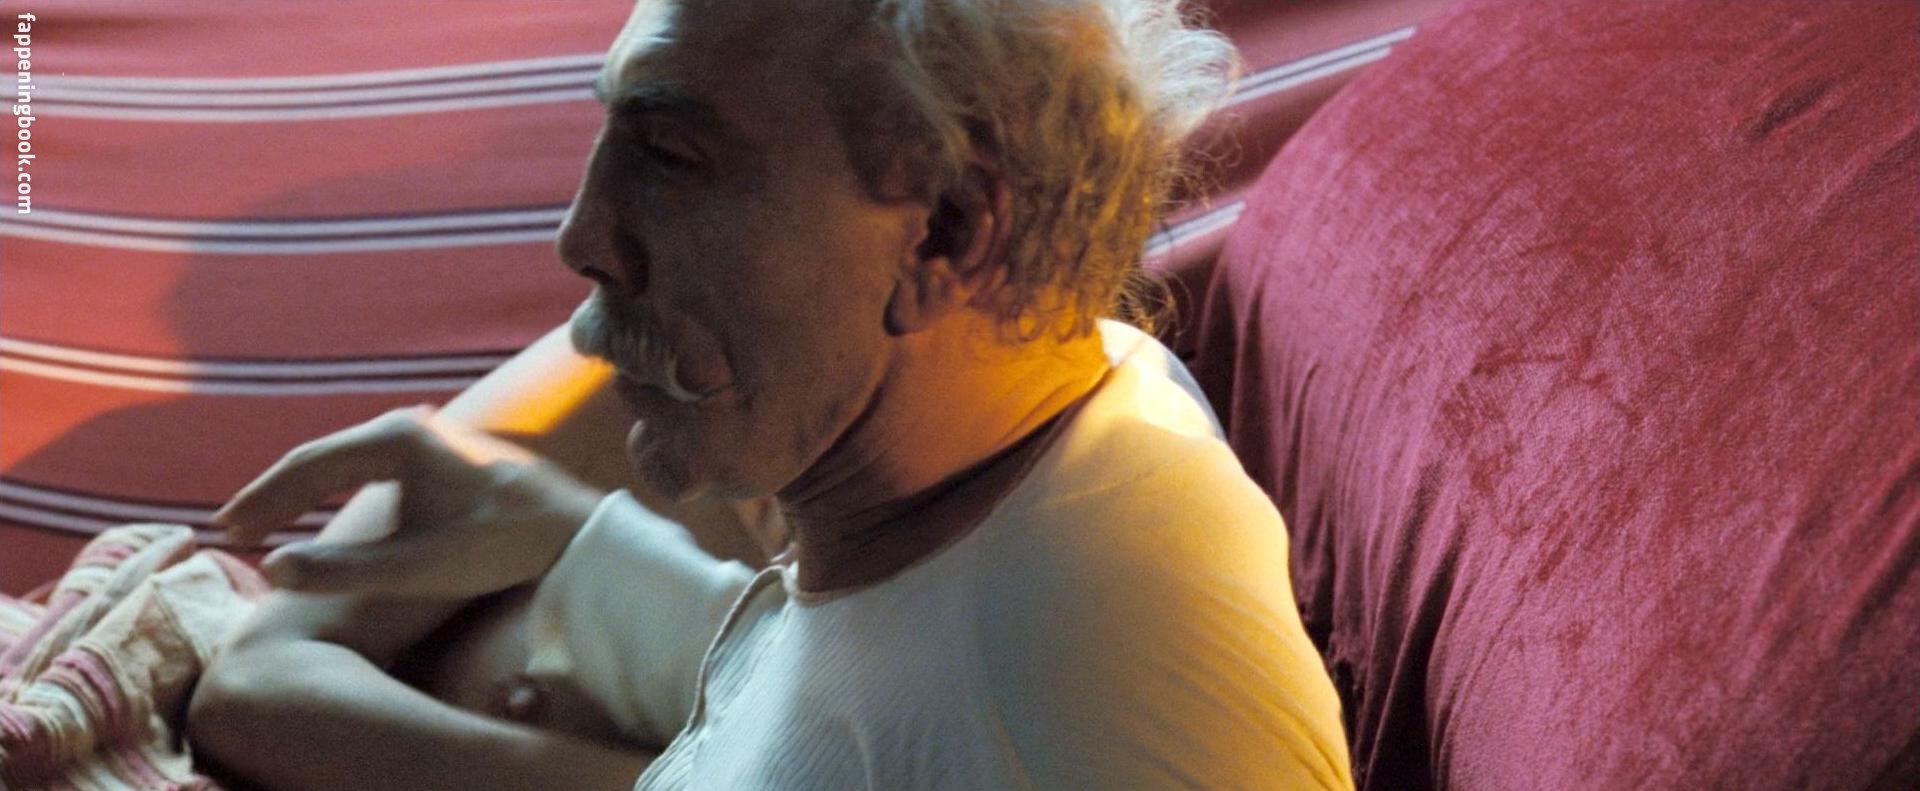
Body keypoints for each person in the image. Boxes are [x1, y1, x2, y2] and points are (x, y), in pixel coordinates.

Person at [186, 0, 1354, 788]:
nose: (580, 235)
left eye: (673, 156)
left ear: (947, 232)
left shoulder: (1104, 707)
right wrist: (580, 547)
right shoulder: (1074, 408)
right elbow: (866, 690)